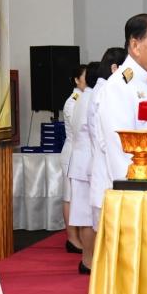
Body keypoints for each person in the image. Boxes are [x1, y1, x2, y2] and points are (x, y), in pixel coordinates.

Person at [97, 14, 147, 192]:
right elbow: (121, 155)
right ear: (135, 46)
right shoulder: (119, 87)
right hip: (140, 195)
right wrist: (139, 200)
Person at [86, 47, 128, 242]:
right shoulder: (106, 92)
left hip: (105, 166)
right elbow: (107, 139)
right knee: (108, 236)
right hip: (106, 168)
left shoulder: (103, 90)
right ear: (114, 68)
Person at [66, 62, 101, 275]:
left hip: (81, 161)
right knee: (89, 217)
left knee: (85, 216)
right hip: (88, 162)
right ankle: (88, 261)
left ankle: (88, 261)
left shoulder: (83, 97)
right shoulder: (92, 98)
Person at [60, 64, 87, 254]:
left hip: (80, 151)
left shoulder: (85, 98)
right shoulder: (73, 101)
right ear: (77, 80)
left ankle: (79, 236)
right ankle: (72, 238)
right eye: (85, 77)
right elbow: (78, 129)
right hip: (72, 152)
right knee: (69, 196)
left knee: (77, 196)